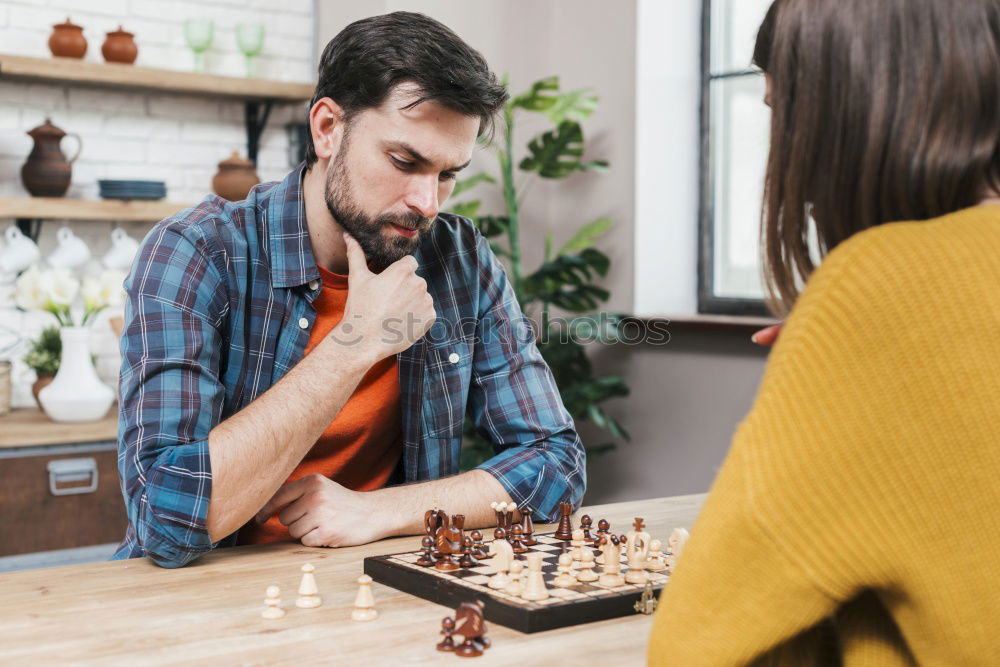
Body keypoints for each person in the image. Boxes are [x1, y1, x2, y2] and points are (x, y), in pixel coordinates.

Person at [113, 12, 585, 568]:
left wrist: (378, 511)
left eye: (447, 174)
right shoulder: (195, 253)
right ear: (327, 129)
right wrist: (356, 342)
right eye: (405, 161)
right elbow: (164, 515)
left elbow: (557, 464)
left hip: (380, 586)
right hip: (207, 593)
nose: (427, 203)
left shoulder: (458, 258)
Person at [649, 0, 1000, 663]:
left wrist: (849, 336)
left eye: (783, 114)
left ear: (846, 111)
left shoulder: (877, 289)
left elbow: (696, 646)